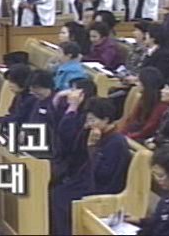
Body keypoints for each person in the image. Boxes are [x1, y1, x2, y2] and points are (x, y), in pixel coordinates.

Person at [51, 97, 131, 235]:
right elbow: (77, 154)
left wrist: (92, 148)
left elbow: (103, 174)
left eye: (92, 120)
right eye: (88, 120)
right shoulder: (98, 134)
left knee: (61, 198)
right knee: (56, 191)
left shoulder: (116, 142)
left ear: (106, 120)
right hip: (89, 179)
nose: (88, 124)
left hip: (103, 187)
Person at [119, 67, 169, 142]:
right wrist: (121, 133)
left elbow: (147, 131)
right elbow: (132, 120)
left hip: (143, 140)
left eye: (139, 81)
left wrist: (126, 137)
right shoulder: (143, 99)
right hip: (131, 135)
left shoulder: (161, 106)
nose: (136, 84)